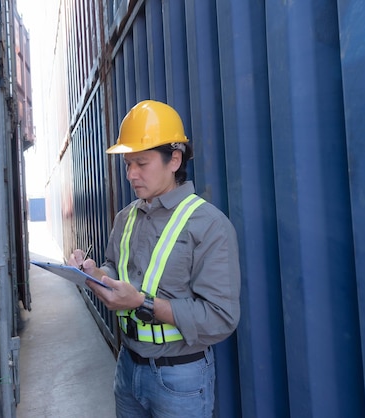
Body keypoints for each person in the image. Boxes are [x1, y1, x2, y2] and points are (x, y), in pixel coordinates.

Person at [68, 100, 241, 418]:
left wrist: (142, 304)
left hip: (180, 378)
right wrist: (94, 273)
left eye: (142, 163)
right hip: (127, 366)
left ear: (174, 159)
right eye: (127, 164)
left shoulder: (209, 225)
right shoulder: (125, 218)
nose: (131, 174)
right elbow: (115, 269)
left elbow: (221, 318)